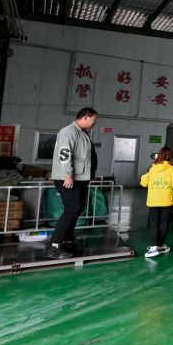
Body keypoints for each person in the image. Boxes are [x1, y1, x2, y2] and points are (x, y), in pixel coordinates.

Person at [48, 107, 98, 259]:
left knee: (77, 208)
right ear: (86, 117)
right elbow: (65, 154)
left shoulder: (81, 133)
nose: (95, 123)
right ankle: (54, 246)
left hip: (80, 178)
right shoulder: (68, 132)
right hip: (70, 178)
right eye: (94, 120)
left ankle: (67, 240)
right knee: (71, 209)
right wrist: (68, 175)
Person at [140, 146, 173, 258]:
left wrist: (148, 174)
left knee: (154, 224)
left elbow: (143, 183)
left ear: (159, 156)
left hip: (153, 201)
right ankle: (160, 246)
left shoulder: (152, 168)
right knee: (164, 223)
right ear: (171, 156)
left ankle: (153, 248)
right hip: (167, 200)